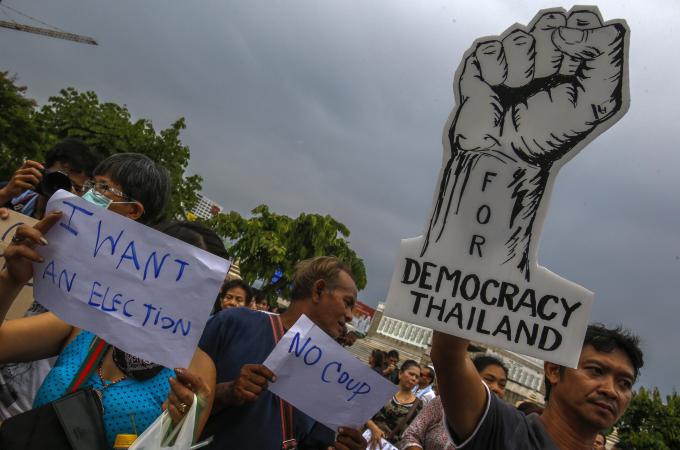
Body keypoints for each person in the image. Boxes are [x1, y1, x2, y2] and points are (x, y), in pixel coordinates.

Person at [0, 153, 216, 447]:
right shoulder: (90, 319)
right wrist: (11, 280)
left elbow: (175, 442)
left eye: (102, 187)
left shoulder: (196, 368)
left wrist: (177, 429)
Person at [198, 256, 367, 449]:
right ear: (318, 290)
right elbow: (176, 395)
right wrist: (227, 392)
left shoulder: (332, 374)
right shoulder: (233, 323)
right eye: (347, 302)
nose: (350, 316)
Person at [431, 324, 643, 449]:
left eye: (624, 383)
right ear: (553, 370)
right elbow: (449, 356)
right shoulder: (504, 428)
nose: (611, 390)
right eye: (596, 370)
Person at [401, 354, 508, 450]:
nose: (496, 388)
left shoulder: (501, 428)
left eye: (502, 385)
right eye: (489, 379)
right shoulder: (442, 403)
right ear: (470, 378)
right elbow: (411, 435)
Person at [0, 138, 101, 219]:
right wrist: (5, 194)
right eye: (58, 179)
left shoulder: (82, 228)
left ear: (83, 193)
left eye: (74, 187)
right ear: (41, 170)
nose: (60, 190)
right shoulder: (11, 195)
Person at [366, 360, 423, 449]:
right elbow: (364, 412)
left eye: (417, 377)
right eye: (411, 374)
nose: (414, 379)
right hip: (366, 440)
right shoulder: (384, 389)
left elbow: (413, 434)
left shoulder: (418, 404)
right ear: (400, 373)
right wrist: (373, 428)